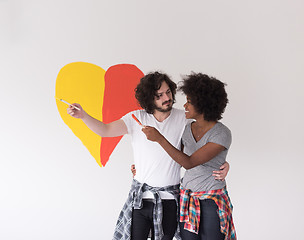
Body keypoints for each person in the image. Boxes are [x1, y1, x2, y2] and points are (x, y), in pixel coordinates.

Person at [67, 71, 229, 240]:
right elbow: (105, 130)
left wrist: (224, 164)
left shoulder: (185, 118)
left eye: (168, 92)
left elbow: (202, 144)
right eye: (159, 95)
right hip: (140, 199)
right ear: (149, 98)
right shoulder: (136, 118)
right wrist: (83, 116)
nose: (166, 97)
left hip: (170, 199)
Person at [142, 72, 236, 240]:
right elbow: (175, 157)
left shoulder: (221, 133)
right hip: (187, 198)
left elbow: (189, 162)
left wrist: (160, 139)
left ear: (203, 105)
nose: (184, 105)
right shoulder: (187, 129)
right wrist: (141, 167)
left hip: (211, 201)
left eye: (189, 102)